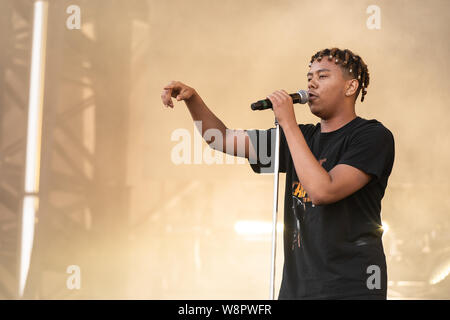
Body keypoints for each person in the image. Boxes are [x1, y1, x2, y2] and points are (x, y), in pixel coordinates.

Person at [161, 47, 395, 300]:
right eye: (309, 77)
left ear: (351, 87)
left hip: (351, 288)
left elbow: (322, 191)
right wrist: (193, 99)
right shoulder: (301, 137)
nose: (311, 83)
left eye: (323, 76)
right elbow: (221, 139)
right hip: (297, 289)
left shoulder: (371, 136)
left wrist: (288, 123)